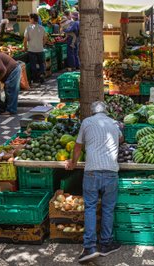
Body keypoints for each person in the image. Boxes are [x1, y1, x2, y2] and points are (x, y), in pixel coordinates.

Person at [65, 101, 122, 263]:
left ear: (92, 112)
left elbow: (77, 147)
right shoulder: (113, 123)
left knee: (90, 208)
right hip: (111, 172)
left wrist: (74, 163)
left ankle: (89, 247)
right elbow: (121, 138)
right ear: (106, 112)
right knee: (108, 208)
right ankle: (106, 244)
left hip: (91, 172)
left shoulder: (87, 122)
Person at [24, 13, 47, 84]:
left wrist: (25, 48)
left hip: (32, 50)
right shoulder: (42, 28)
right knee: (41, 63)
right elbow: (45, 39)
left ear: (32, 19)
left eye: (30, 18)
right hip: (40, 49)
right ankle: (42, 75)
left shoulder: (28, 28)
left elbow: (25, 40)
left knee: (33, 65)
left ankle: (35, 79)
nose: (29, 20)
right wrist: (42, 45)